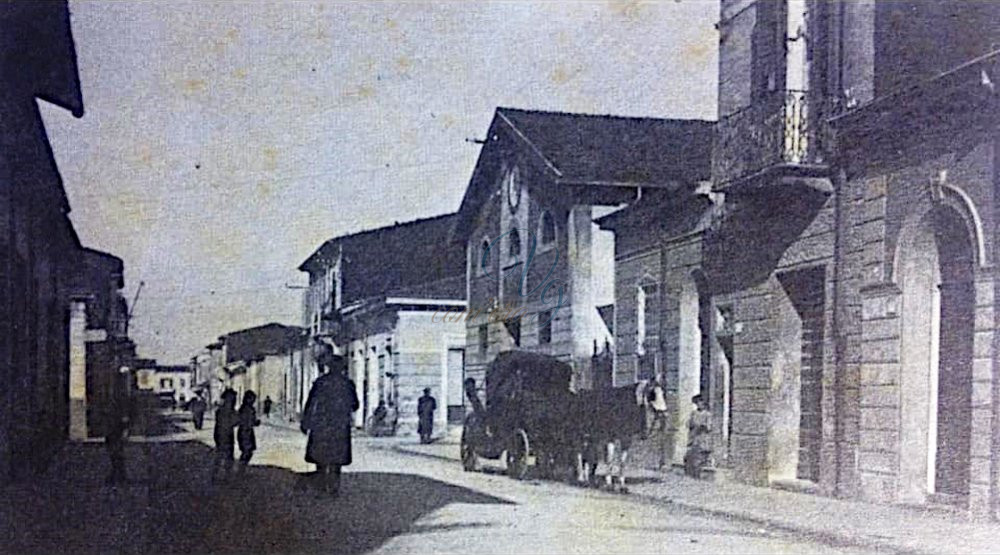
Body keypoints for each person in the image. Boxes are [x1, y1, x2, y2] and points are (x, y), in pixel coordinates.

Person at [300, 343, 359, 497]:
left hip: (321, 424)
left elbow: (310, 403)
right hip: (340, 426)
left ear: (329, 367)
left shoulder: (320, 382)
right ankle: (334, 489)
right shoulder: (348, 384)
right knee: (336, 460)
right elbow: (355, 405)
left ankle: (320, 488)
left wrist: (305, 422)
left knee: (321, 458)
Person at [104, 393, 133, 485]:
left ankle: (118, 475)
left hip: (114, 433)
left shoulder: (118, 409)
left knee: (116, 454)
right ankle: (119, 475)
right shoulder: (119, 408)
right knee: (117, 455)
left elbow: (124, 421)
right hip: (114, 433)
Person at [212, 389, 239, 482]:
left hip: (223, 435)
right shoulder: (225, 411)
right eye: (233, 398)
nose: (234, 400)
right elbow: (234, 422)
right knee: (225, 455)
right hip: (224, 435)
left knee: (223, 455)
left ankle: (219, 474)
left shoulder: (221, 410)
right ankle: (220, 474)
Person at [684, 394, 713, 478]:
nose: (699, 404)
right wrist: (691, 424)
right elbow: (688, 424)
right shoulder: (693, 413)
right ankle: (690, 474)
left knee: (700, 458)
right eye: (697, 403)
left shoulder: (707, 414)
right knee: (690, 457)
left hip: (702, 438)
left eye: (700, 402)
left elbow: (709, 427)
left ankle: (698, 474)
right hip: (693, 438)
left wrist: (702, 426)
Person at [237, 390, 261, 474]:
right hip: (244, 432)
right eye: (252, 399)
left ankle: (242, 468)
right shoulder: (244, 409)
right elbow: (243, 420)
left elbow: (251, 421)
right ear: (247, 399)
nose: (253, 401)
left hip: (249, 432)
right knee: (246, 451)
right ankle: (241, 469)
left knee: (248, 451)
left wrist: (255, 423)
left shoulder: (250, 409)